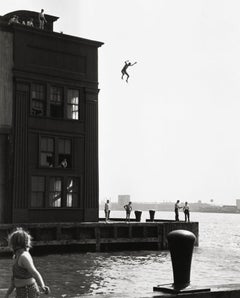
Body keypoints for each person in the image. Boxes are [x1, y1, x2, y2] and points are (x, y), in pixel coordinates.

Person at [5, 227, 50, 298]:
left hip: (28, 291)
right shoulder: (16, 256)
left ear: (14, 243)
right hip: (20, 291)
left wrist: (42, 286)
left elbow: (35, 273)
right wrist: (8, 293)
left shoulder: (24, 257)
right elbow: (14, 278)